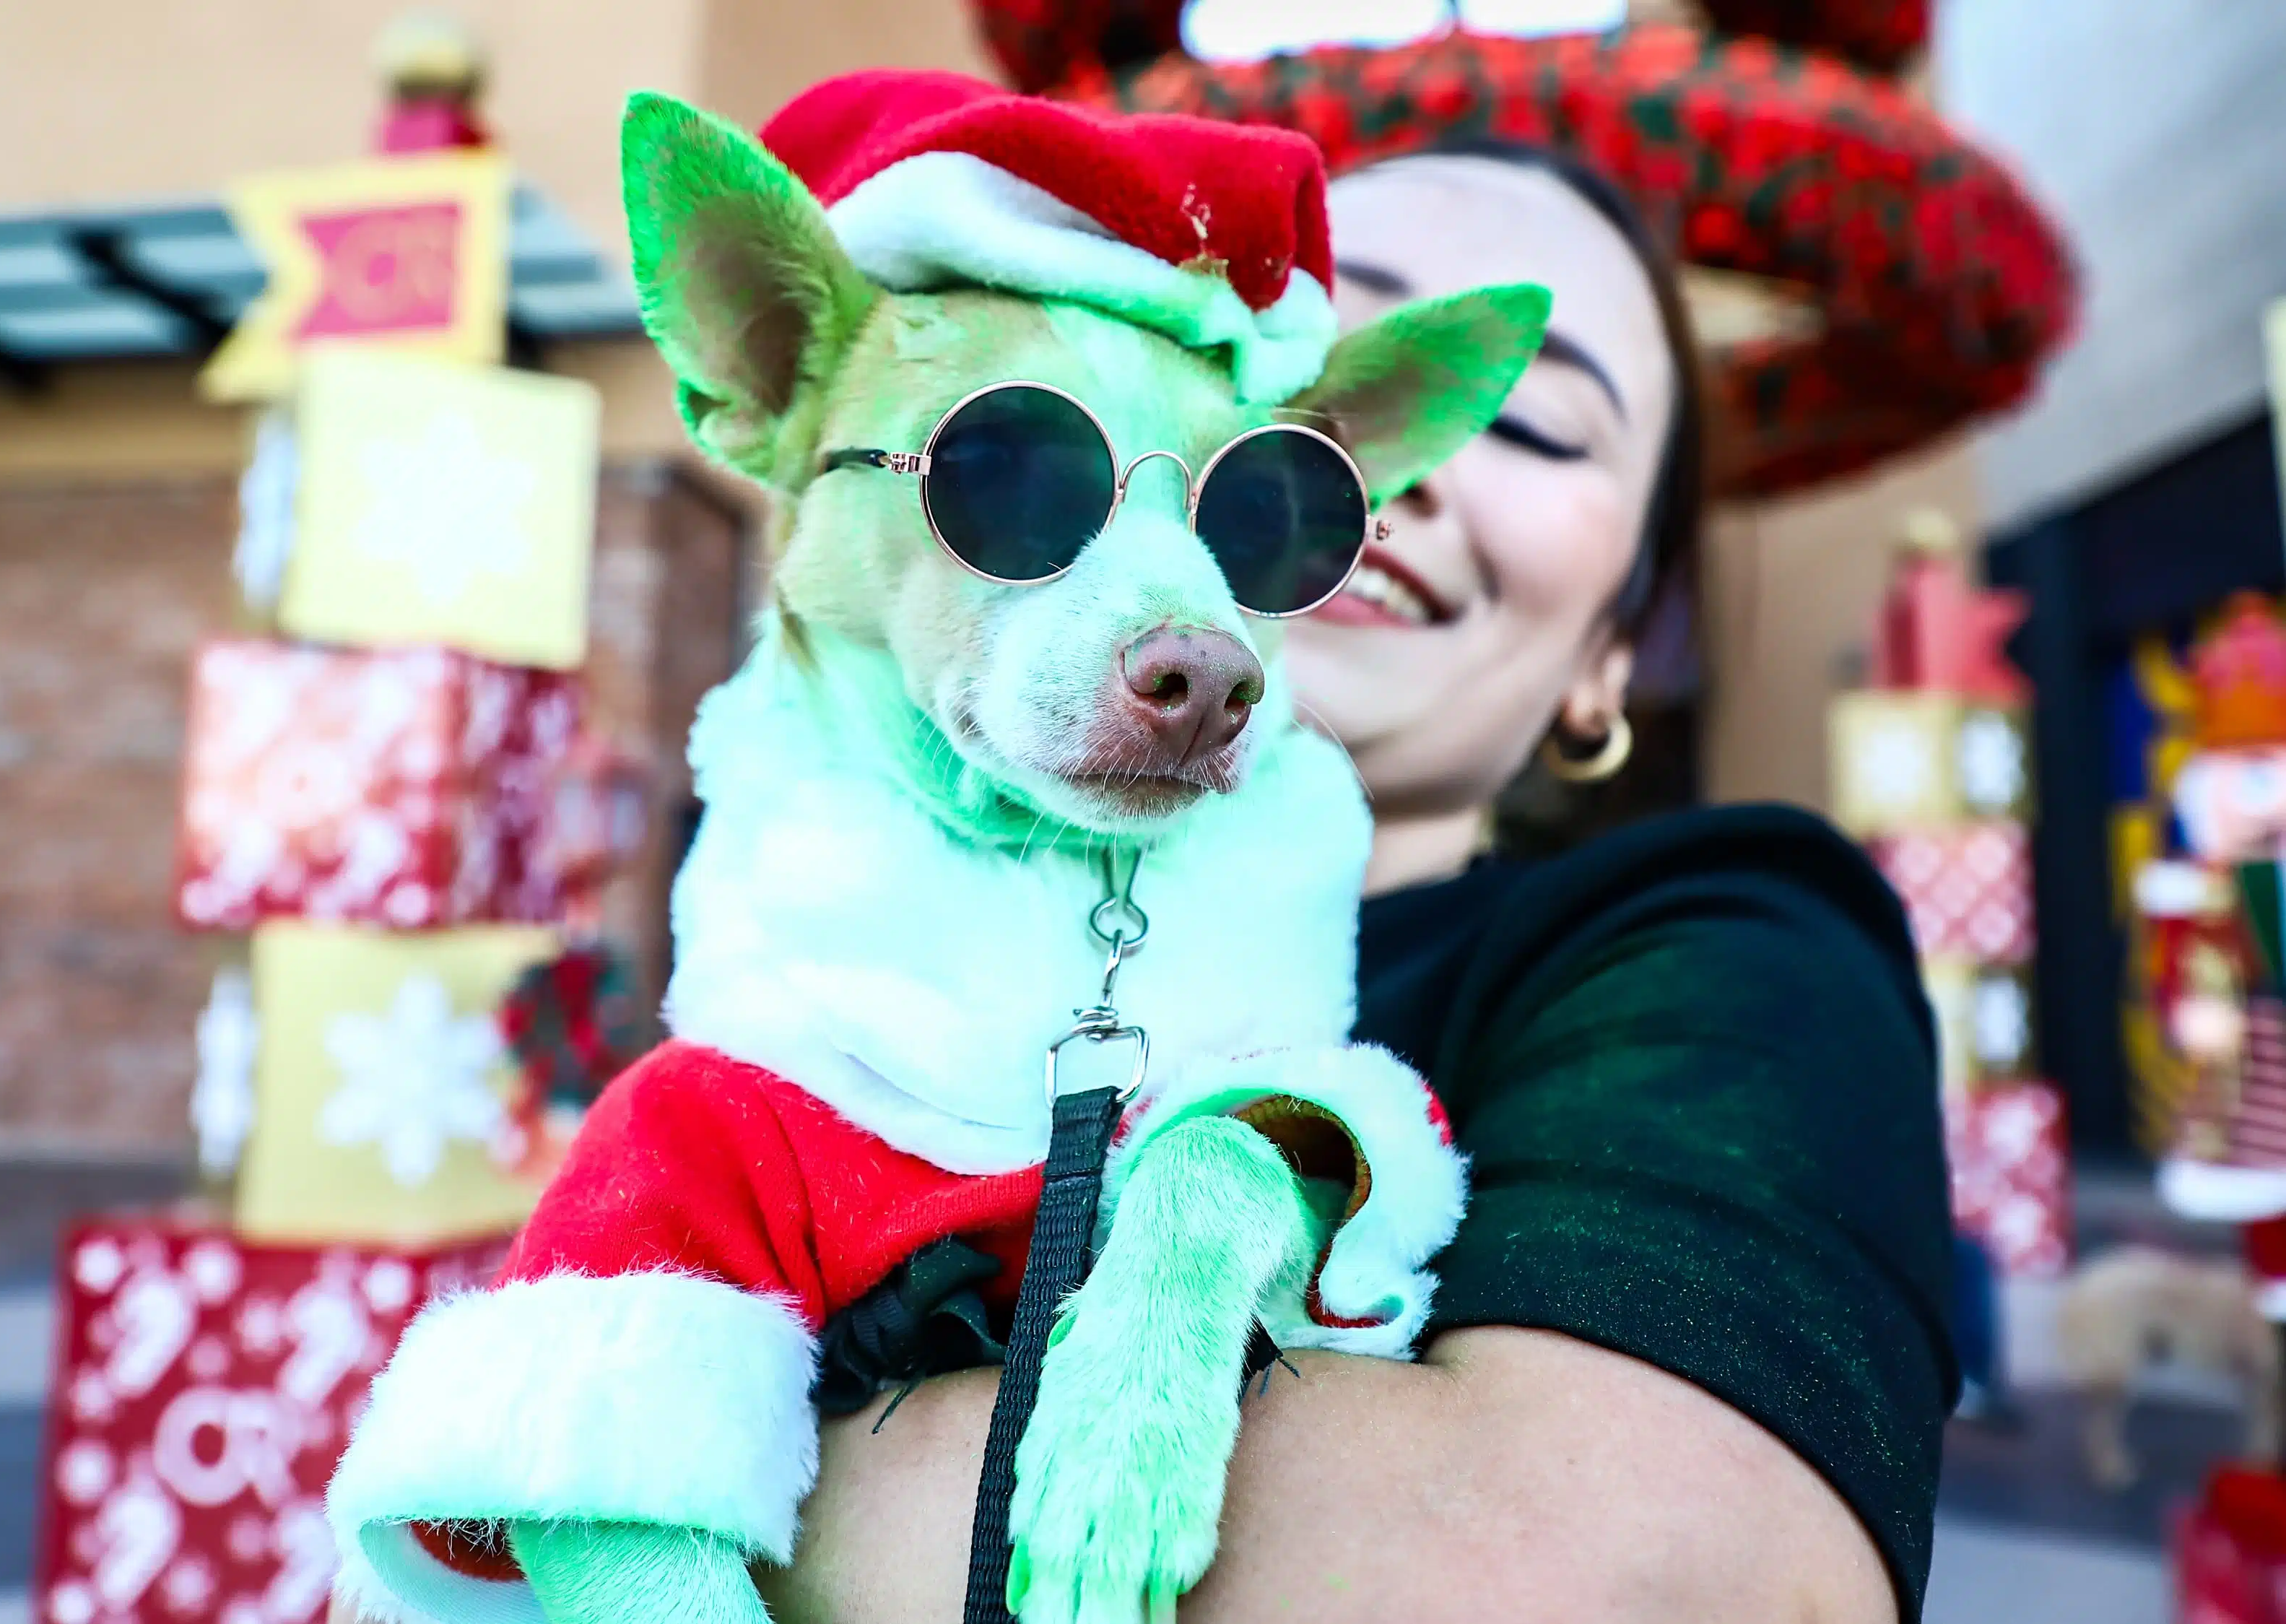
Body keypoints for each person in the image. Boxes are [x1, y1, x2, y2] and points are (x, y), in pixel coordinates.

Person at [755, 139, 1954, 1624]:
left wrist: (644, 1473)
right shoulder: (817, 914)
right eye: (1299, 383)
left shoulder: (1730, 946)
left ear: (1606, 660)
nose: (1390, 476)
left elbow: (1625, 1575)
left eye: (1532, 425)